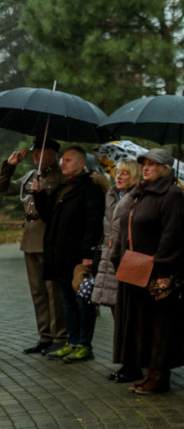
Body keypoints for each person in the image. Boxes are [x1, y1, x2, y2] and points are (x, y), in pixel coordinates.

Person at [110, 148, 184, 394]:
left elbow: (173, 236)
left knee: (160, 326)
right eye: (144, 164)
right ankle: (149, 373)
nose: (145, 168)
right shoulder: (140, 194)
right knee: (141, 324)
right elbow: (125, 227)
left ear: (166, 169)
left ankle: (159, 375)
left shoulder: (172, 194)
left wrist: (163, 270)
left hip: (157, 272)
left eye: (152, 165)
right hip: (134, 268)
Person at [31, 146, 106, 364]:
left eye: (68, 160)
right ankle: (72, 342)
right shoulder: (63, 186)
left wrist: (88, 254)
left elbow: (93, 223)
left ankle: (84, 345)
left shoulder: (89, 187)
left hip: (78, 256)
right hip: (60, 254)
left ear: (82, 164)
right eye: (62, 159)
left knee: (82, 300)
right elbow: (48, 215)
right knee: (67, 301)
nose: (63, 163)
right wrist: (38, 194)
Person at [0, 137, 65, 354]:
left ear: (53, 154)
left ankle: (59, 336)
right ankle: (44, 336)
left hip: (48, 238)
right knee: (37, 291)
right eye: (35, 151)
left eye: (41, 151)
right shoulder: (30, 175)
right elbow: (5, 188)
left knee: (53, 292)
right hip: (30, 238)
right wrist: (9, 166)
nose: (36, 155)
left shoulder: (60, 176)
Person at [92, 159, 143, 382]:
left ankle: (134, 364)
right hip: (109, 259)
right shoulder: (112, 196)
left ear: (134, 176)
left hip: (129, 260)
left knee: (129, 316)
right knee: (117, 315)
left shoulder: (138, 197)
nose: (119, 177)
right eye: (117, 173)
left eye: (125, 173)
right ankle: (126, 363)